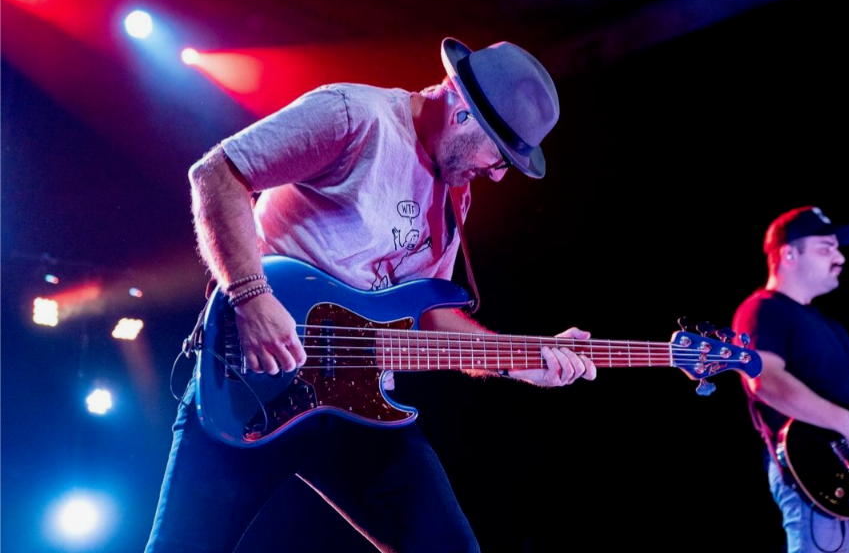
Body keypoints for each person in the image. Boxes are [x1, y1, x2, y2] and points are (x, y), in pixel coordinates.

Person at [144, 37, 598, 552]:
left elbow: (429, 315)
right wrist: (251, 296)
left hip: (356, 403)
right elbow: (216, 174)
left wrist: (520, 360)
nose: (497, 174)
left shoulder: (454, 193)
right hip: (253, 382)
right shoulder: (354, 116)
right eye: (500, 154)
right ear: (463, 112)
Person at [732, 205, 849, 553]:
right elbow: (766, 381)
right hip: (815, 477)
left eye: (838, 249)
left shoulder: (832, 326)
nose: (839, 259)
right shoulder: (762, 309)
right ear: (789, 254)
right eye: (826, 248)